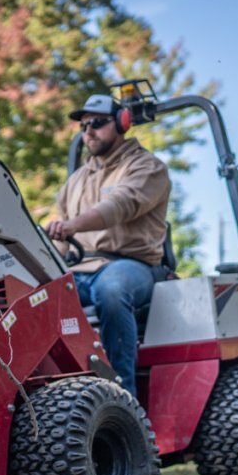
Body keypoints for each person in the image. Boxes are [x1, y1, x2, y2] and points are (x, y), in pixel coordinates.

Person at [45, 94, 171, 400]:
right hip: (81, 267)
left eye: (98, 123)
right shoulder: (75, 181)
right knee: (35, 299)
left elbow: (120, 206)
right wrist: (46, 275)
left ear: (122, 123)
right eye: (84, 124)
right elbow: (60, 238)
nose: (88, 131)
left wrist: (74, 225)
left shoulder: (147, 168)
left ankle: (122, 394)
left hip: (134, 267)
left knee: (112, 289)